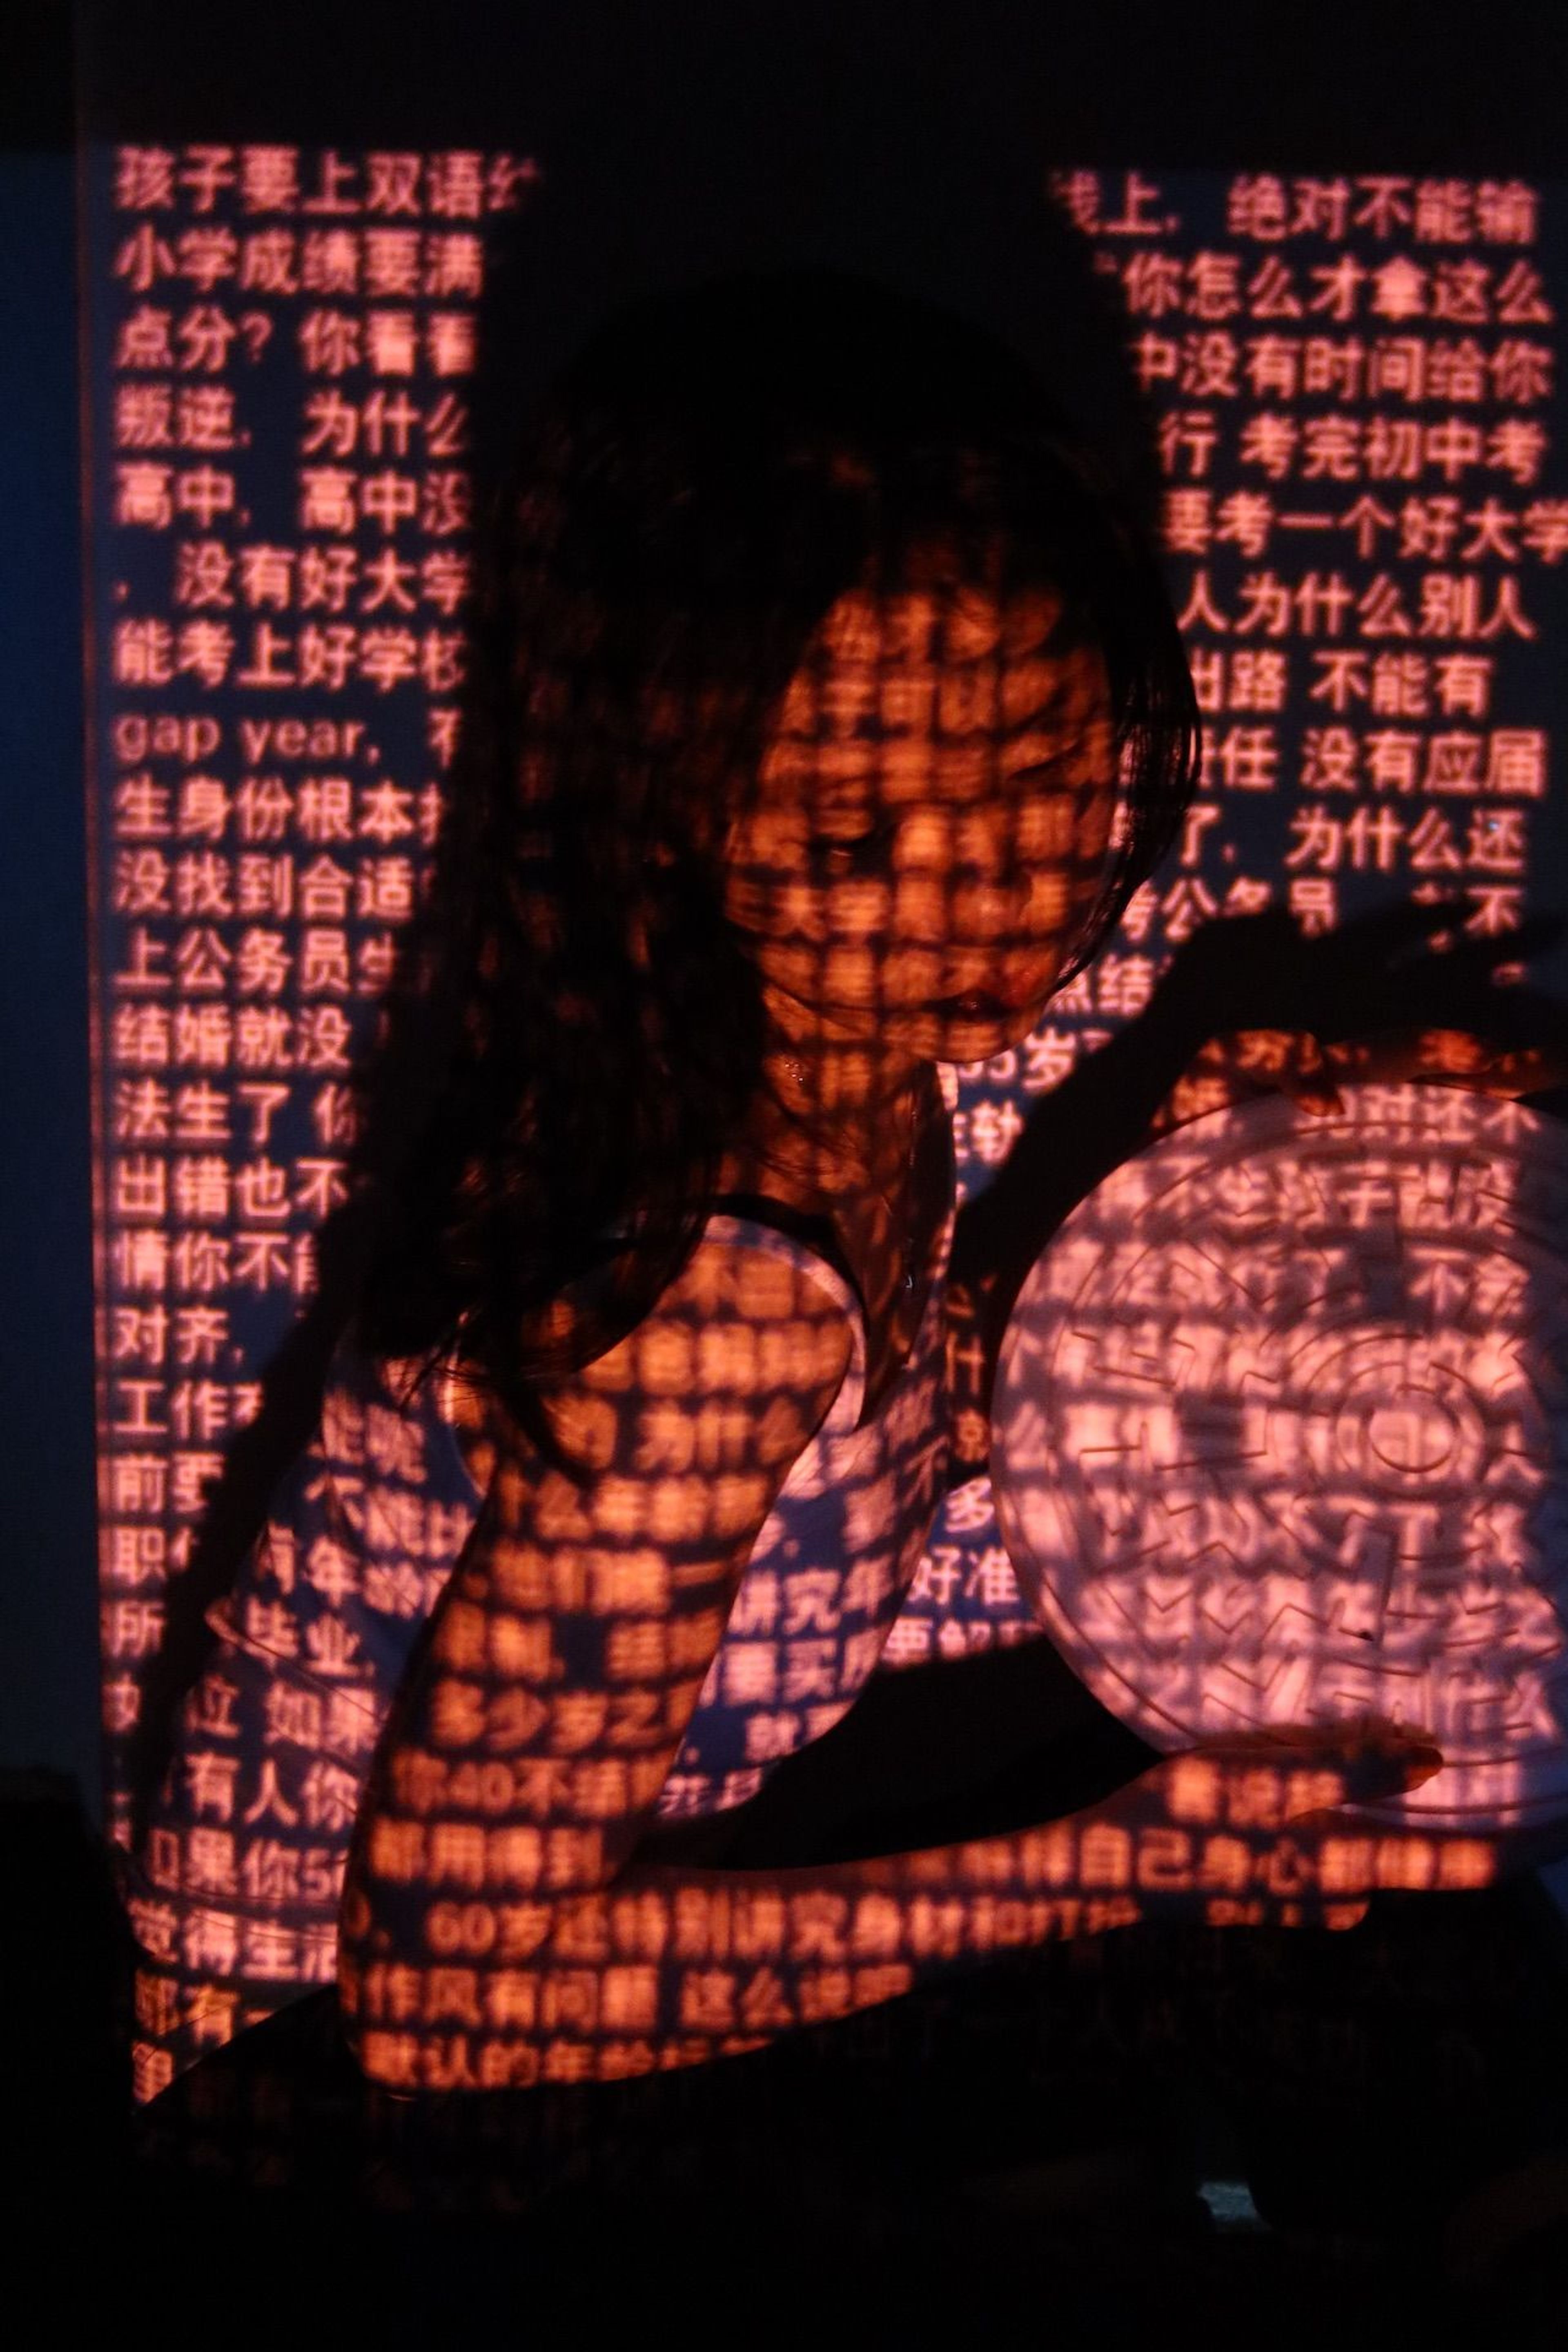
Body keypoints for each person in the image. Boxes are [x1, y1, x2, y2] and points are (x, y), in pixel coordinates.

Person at [124, 267, 1554, 2120]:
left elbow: (854, 1476)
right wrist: (1129, 1863)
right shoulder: (707, 1305)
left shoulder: (825, 1087)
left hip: (546, 1974)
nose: (987, 896)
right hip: (313, 2107)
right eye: (855, 835)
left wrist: (1199, 1201)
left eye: (1045, 778)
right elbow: (444, 1998)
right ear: (667, 806)